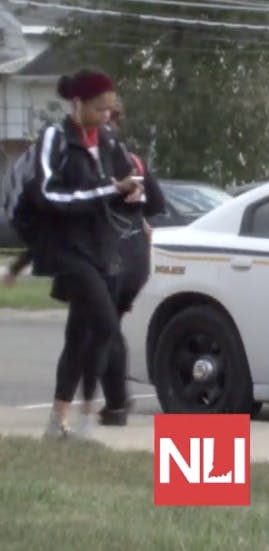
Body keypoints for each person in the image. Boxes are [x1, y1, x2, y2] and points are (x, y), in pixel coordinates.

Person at [25, 68, 143, 439]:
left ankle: (60, 419)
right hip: (67, 248)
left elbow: (124, 180)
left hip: (102, 246)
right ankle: (87, 414)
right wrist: (107, 192)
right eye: (99, 108)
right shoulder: (55, 138)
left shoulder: (107, 140)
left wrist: (132, 192)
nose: (106, 116)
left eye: (110, 109)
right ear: (78, 104)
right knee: (106, 324)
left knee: (80, 333)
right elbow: (47, 194)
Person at [97, 104, 166, 426]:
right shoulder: (136, 161)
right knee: (109, 325)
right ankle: (114, 400)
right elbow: (156, 204)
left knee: (103, 328)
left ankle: (115, 404)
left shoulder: (96, 160)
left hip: (111, 253)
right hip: (137, 254)